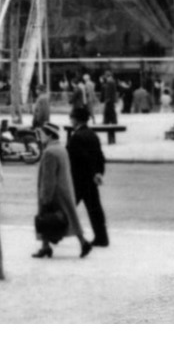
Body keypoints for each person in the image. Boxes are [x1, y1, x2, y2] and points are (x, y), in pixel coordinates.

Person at [33, 123, 91, 259]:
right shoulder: (61, 149)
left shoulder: (49, 152)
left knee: (45, 218)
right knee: (71, 217)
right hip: (64, 190)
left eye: (42, 134)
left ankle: (47, 246)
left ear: (49, 135)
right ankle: (46, 246)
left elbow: (48, 178)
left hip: (54, 193)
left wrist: (45, 197)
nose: (40, 137)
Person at [66, 105, 109, 248]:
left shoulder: (76, 137)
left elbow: (79, 159)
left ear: (76, 120)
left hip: (78, 179)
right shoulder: (92, 134)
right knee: (95, 209)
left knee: (67, 208)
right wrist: (98, 173)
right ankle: (102, 237)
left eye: (71, 117)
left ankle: (54, 233)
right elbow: (99, 156)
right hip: (91, 180)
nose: (70, 120)